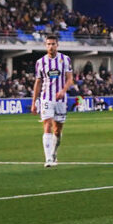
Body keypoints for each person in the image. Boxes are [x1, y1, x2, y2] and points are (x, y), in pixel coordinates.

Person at [30, 34, 74, 168]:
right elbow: (38, 82)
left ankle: (54, 153)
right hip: (46, 98)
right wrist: (34, 102)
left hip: (61, 100)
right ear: (45, 46)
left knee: (57, 130)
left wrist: (63, 91)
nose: (51, 46)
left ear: (57, 45)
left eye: (53, 44)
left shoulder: (65, 59)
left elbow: (70, 79)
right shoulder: (40, 62)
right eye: (48, 44)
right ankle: (48, 158)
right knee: (47, 125)